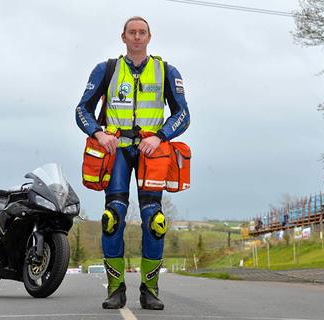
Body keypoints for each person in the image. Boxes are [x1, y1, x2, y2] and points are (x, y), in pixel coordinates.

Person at [75, 16, 190, 310]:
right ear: (123, 37)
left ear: (149, 37)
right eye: (132, 32)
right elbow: (82, 110)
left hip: (152, 153)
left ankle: (149, 290)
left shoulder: (166, 71)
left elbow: (183, 114)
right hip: (117, 153)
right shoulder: (106, 70)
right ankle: (116, 290)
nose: (137, 37)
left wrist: (161, 136)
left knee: (156, 222)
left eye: (142, 33)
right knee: (111, 220)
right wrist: (98, 133)